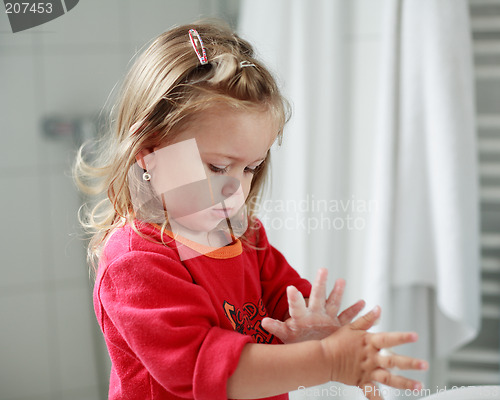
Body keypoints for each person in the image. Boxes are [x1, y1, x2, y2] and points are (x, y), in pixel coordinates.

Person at [74, 22, 428, 400]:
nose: (235, 188)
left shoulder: (241, 234)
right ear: (150, 151)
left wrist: (308, 329)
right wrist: (325, 360)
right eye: (216, 167)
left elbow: (282, 300)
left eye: (250, 168)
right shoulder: (136, 262)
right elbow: (205, 370)